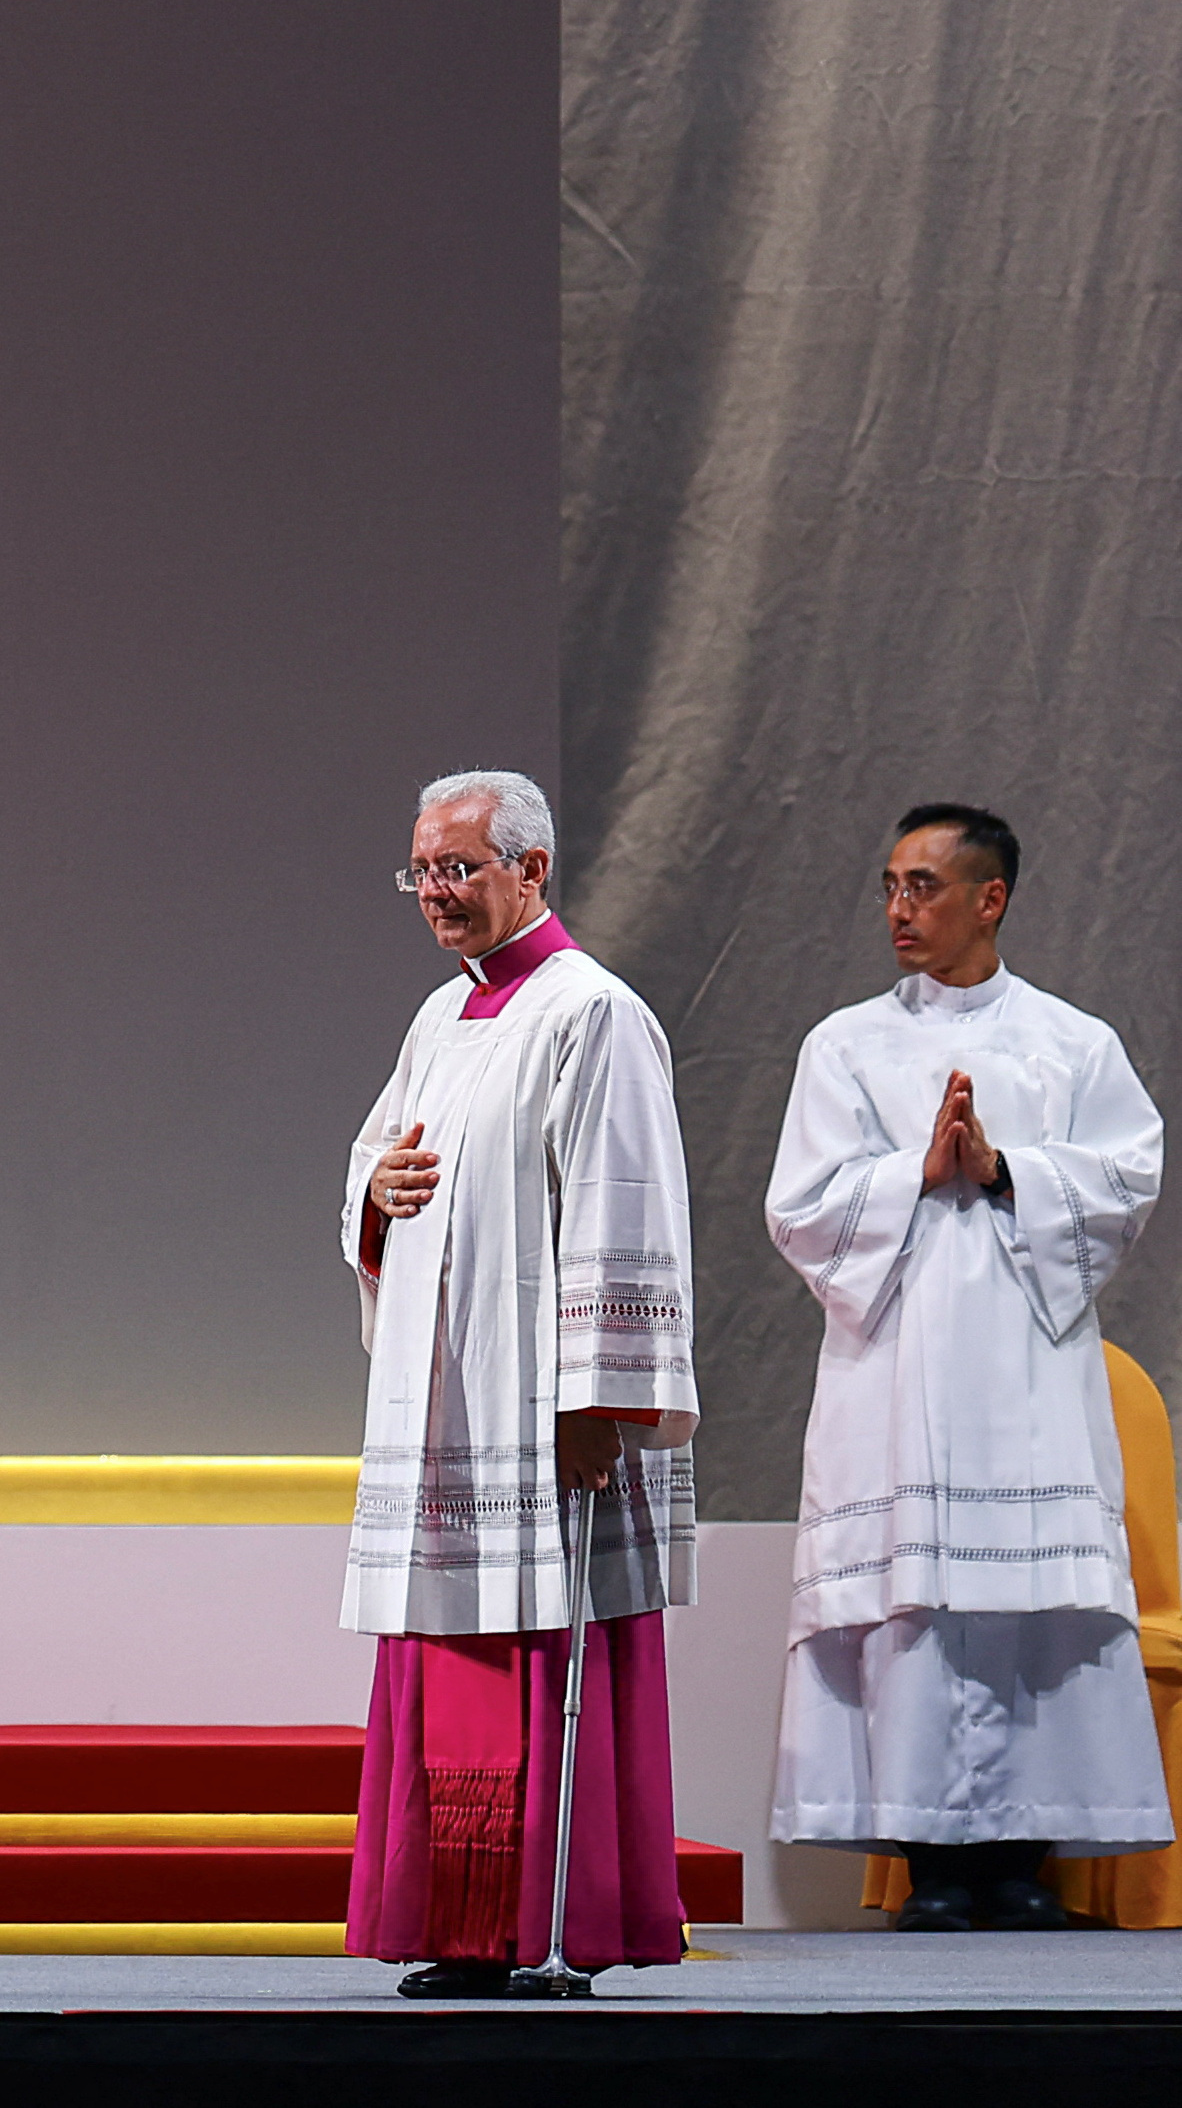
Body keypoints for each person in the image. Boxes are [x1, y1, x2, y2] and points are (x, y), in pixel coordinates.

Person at [766, 800, 1173, 1927]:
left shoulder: (1071, 1042)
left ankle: (1020, 1863)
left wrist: (1004, 1172)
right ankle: (933, 1866)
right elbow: (801, 1204)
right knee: (920, 1609)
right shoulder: (844, 1044)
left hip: (1027, 1370)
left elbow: (1127, 1180)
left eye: (926, 886)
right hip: (894, 1364)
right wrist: (912, 1173)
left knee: (1025, 1608)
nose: (900, 907)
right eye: (891, 884)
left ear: (989, 897)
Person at [339, 770, 698, 1993]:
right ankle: (459, 1925)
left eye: (458, 868)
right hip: (449, 1409)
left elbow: (624, 1202)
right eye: (422, 871)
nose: (434, 892)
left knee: (550, 1672)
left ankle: (546, 1931)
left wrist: (598, 1399)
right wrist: (372, 1201)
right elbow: (378, 1158)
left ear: (532, 867)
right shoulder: (440, 1019)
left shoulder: (594, 1012)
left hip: (542, 1414)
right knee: (450, 1673)